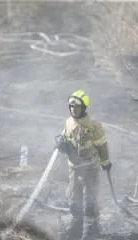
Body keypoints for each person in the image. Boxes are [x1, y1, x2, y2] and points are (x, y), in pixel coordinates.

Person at [56, 89, 112, 240]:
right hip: (74, 168)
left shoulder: (94, 126)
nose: (74, 110)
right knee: (73, 198)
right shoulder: (68, 122)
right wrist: (63, 145)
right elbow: (67, 140)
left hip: (90, 168)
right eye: (71, 107)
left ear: (84, 108)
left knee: (90, 200)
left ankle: (92, 231)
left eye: (77, 107)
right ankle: (75, 227)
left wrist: (105, 162)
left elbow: (102, 146)